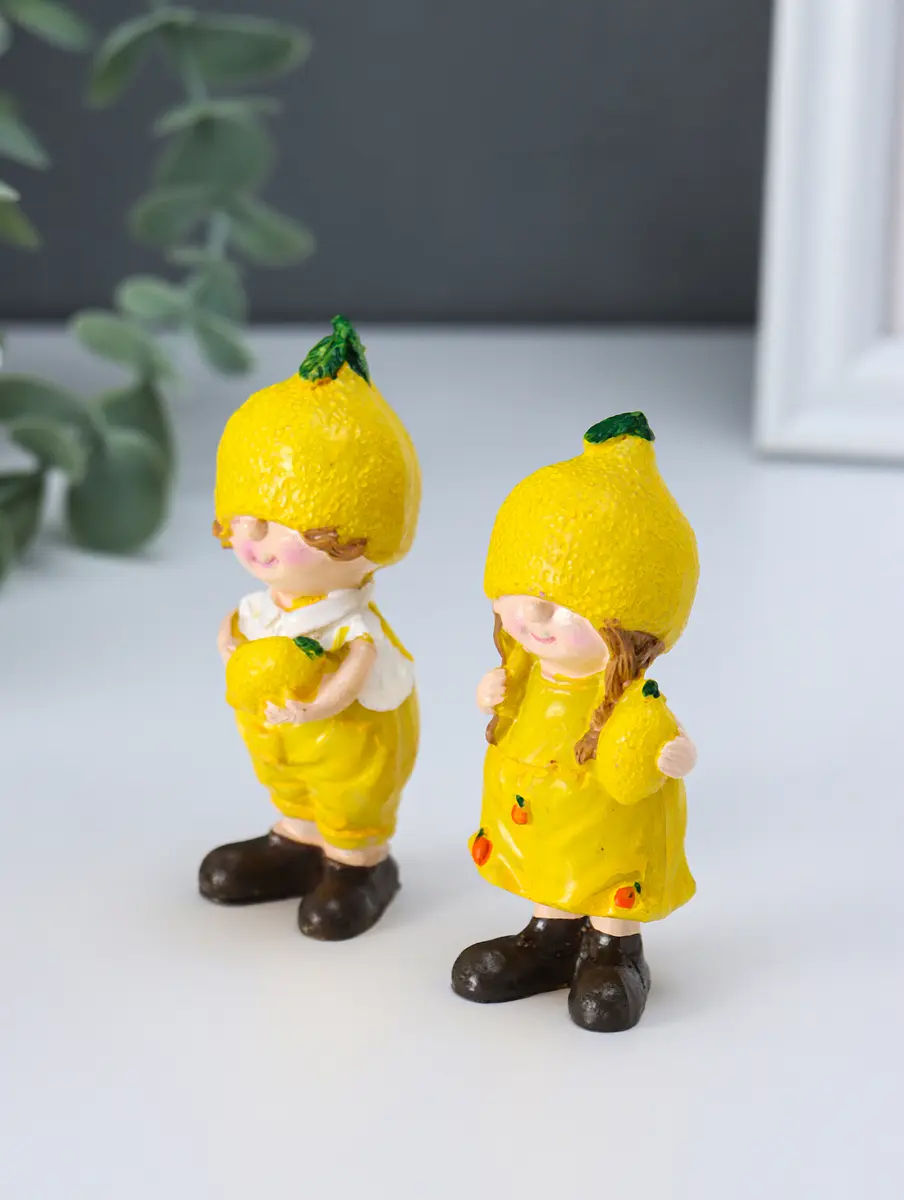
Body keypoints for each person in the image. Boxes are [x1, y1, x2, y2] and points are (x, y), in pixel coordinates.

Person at [452, 412, 699, 1031]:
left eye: (567, 605)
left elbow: (663, 737)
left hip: (609, 808)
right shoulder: (527, 672)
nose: (536, 615)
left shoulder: (631, 698)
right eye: (523, 592)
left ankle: (615, 950)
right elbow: (506, 705)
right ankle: (550, 937)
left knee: (611, 870)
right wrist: (492, 695)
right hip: (538, 804)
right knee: (549, 859)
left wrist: (675, 754)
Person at [199, 316, 420, 941]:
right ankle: (297, 836)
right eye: (245, 517)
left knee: (351, 790)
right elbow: (233, 628)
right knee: (288, 779)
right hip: (278, 727)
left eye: (282, 523)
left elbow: (356, 664)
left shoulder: (348, 624)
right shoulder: (262, 605)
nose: (254, 537)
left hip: (347, 732)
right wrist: (230, 647)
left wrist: (320, 703)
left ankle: (358, 862)